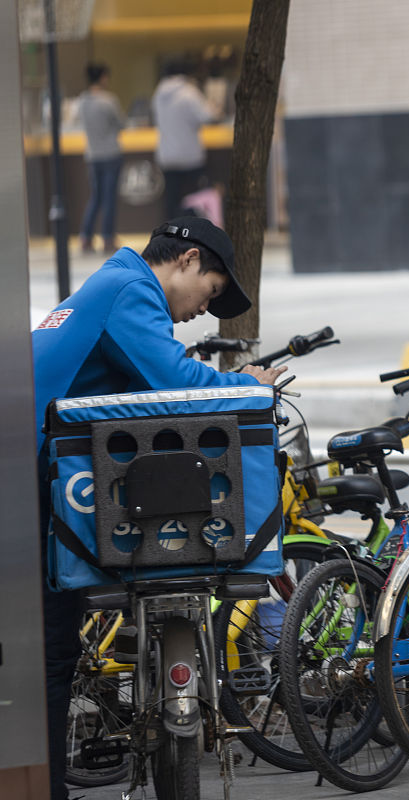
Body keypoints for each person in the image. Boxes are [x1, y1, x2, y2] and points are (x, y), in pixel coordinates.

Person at [32, 217, 285, 800]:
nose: (205, 308)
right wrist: (243, 383)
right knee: (48, 646)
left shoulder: (114, 281)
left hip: (30, 465)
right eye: (213, 292)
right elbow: (172, 379)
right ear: (189, 259)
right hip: (23, 469)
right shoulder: (131, 289)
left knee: (54, 643)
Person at [152, 59, 217, 219]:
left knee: (171, 201)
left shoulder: (158, 94)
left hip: (167, 156)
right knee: (195, 201)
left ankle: (171, 238)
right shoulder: (189, 92)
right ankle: (193, 237)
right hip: (190, 156)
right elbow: (206, 116)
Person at [77, 62, 124, 254]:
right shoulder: (108, 101)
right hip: (111, 154)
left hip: (92, 155)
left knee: (96, 197)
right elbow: (122, 123)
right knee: (109, 199)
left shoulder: (82, 101)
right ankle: (107, 239)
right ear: (103, 77)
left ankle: (86, 237)